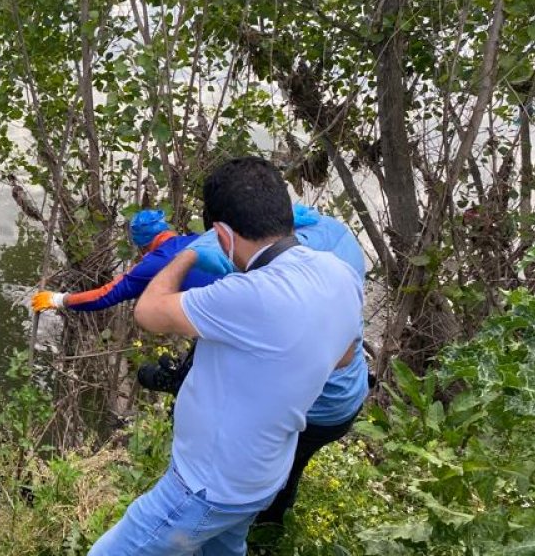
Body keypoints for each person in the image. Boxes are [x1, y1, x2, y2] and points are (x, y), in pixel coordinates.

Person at [88, 157, 363, 556]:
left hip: (204, 489)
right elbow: (345, 355)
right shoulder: (338, 273)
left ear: (221, 232)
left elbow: (148, 312)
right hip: (261, 477)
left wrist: (182, 256)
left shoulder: (247, 296)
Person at [144, 203, 371, 526]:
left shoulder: (270, 281)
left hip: (313, 407)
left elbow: (151, 312)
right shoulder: (335, 244)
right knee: (291, 465)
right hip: (348, 396)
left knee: (271, 470)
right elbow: (344, 353)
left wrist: (189, 256)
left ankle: (260, 524)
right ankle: (264, 523)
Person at [29, 209, 221, 314]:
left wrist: (58, 300)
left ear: (141, 245)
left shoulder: (154, 265)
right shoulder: (199, 239)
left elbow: (104, 295)